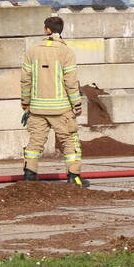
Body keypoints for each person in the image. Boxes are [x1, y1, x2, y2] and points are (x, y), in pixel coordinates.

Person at [20, 15, 88, 186]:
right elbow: (71, 82)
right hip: (61, 109)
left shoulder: (32, 51)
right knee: (69, 142)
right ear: (60, 30)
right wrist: (76, 104)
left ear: (47, 30)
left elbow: (25, 80)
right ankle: (74, 176)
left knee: (35, 143)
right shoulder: (66, 52)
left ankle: (29, 176)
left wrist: (25, 103)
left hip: (37, 109)